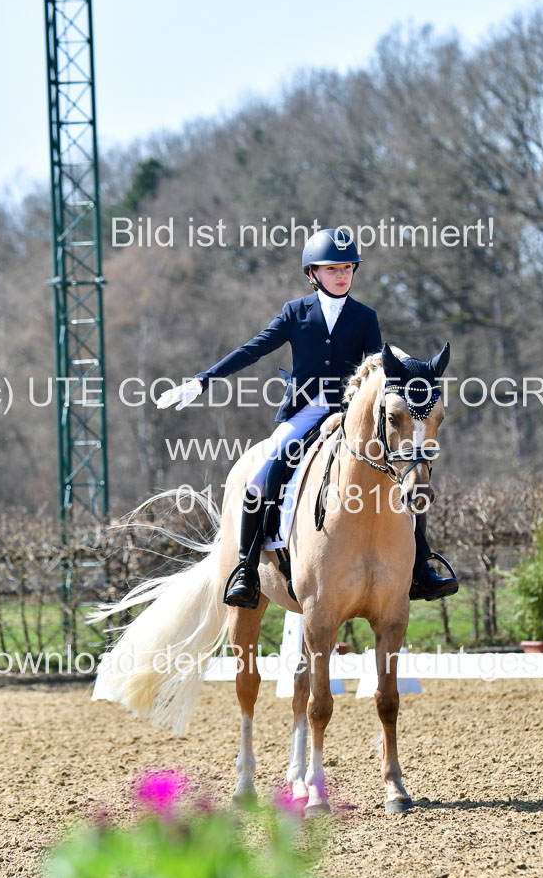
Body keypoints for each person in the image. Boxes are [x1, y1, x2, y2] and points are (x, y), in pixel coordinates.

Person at [157, 227, 458, 608]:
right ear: (312, 273)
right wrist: (203, 381)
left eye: (348, 267)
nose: (342, 275)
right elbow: (253, 349)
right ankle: (247, 570)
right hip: (304, 412)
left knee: (412, 469)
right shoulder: (295, 313)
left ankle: (421, 566)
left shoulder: (365, 317)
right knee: (261, 478)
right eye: (333, 269)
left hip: (348, 416)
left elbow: (376, 367)